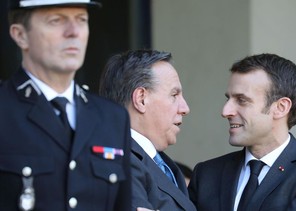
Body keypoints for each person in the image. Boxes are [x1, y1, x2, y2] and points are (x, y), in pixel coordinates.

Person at [0, 1, 131, 210]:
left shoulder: (112, 117)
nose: (73, 32)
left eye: (81, 20)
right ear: (20, 35)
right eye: (56, 20)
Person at [188, 53, 296, 210]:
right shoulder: (206, 175)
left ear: (281, 107)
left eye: (241, 100)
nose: (226, 111)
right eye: (228, 99)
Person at [99, 50, 196, 211]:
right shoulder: (118, 161)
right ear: (141, 99)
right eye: (174, 95)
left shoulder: (164, 164)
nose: (185, 108)